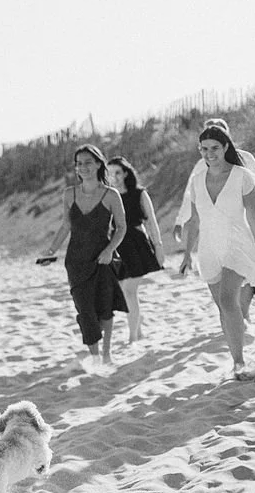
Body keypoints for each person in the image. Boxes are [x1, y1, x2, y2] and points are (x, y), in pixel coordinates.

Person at [179, 125, 255, 380]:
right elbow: (194, 220)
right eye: (204, 149)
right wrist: (187, 253)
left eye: (215, 148)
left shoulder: (242, 176)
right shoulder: (197, 181)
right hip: (209, 247)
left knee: (227, 300)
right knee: (224, 308)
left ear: (226, 148)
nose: (210, 154)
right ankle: (238, 349)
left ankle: (240, 362)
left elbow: (253, 215)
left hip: (237, 243)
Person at [41, 145, 128, 365]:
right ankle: (95, 357)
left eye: (88, 162)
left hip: (103, 259)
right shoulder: (69, 194)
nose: (83, 167)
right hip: (76, 262)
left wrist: (109, 251)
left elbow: (121, 228)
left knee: (105, 309)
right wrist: (51, 250)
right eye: (79, 163)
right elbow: (66, 225)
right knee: (85, 312)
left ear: (99, 164)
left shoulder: (111, 195)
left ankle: (106, 354)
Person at [106, 156, 164, 342]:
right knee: (125, 291)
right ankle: (138, 330)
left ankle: (132, 337)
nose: (114, 177)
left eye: (118, 172)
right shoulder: (107, 196)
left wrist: (158, 247)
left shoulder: (138, 193)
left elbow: (151, 222)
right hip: (118, 246)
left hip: (137, 244)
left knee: (129, 290)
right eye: (111, 172)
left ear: (125, 173)